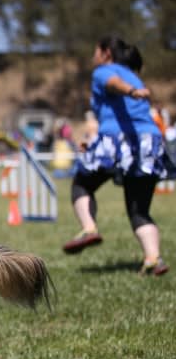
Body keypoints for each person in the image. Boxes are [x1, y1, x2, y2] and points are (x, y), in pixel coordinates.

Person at [63, 36, 170, 276]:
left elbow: (112, 84)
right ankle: (154, 259)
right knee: (139, 209)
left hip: (119, 139)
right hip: (149, 142)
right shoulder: (134, 75)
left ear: (106, 53)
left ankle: (89, 228)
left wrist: (131, 91)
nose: (94, 57)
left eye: (95, 52)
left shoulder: (105, 71)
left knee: (82, 184)